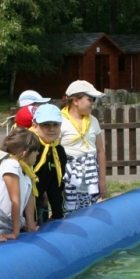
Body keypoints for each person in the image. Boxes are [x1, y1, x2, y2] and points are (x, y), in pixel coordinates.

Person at [60, 80, 107, 213]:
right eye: (90, 99)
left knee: (90, 213)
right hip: (69, 179)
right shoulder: (60, 122)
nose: (93, 103)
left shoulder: (93, 121)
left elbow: (100, 151)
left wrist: (102, 180)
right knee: (69, 213)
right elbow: (55, 153)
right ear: (75, 100)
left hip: (90, 178)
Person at [0, 128, 41, 240]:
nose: (38, 153)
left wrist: (31, 226)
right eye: (35, 150)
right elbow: (15, 200)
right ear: (25, 153)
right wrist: (15, 233)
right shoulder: (11, 165)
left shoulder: (27, 170)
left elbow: (29, 199)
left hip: (12, 222)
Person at [30, 104, 68, 223]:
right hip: (16, 209)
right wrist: (31, 220)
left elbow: (56, 186)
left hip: (37, 205)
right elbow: (26, 189)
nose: (51, 129)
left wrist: (58, 215)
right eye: (46, 124)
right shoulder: (29, 149)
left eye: (55, 124)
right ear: (35, 126)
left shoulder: (58, 151)